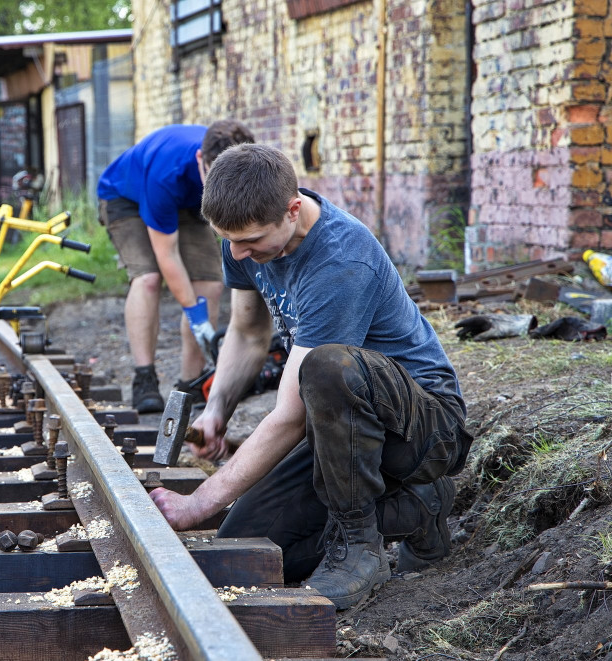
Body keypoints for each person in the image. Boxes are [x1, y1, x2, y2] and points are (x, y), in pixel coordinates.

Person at [149, 144, 473, 610]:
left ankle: (359, 549)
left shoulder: (341, 260)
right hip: (345, 429)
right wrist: (218, 407)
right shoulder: (243, 237)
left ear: (292, 210)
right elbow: (246, 328)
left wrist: (199, 502)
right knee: (251, 542)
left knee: (325, 366)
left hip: (423, 429)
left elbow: (290, 416)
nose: (238, 252)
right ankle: (415, 510)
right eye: (228, 240)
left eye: (251, 241)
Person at [97, 120, 255, 413]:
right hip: (125, 197)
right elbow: (167, 255)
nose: (223, 185)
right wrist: (197, 317)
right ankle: (144, 378)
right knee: (149, 277)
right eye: (213, 175)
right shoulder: (165, 173)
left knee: (209, 283)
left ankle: (190, 384)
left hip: (188, 199)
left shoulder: (238, 166)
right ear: (200, 160)